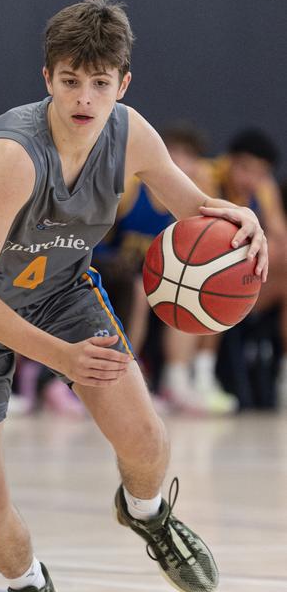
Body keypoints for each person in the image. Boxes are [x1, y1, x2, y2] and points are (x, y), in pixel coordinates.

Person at [0, 0, 267, 592]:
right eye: (70, 79)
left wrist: (243, 222)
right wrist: (61, 358)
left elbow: (194, 207)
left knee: (146, 436)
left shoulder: (132, 134)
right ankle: (29, 588)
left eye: (100, 83)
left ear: (122, 84)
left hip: (61, 293)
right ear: (48, 77)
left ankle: (147, 511)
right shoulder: (15, 156)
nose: (84, 96)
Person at [109, 124, 238, 414]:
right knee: (141, 292)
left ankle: (178, 379)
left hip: (155, 274)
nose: (180, 161)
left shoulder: (194, 198)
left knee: (197, 289)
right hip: (113, 271)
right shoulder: (131, 186)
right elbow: (97, 236)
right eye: (174, 153)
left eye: (188, 155)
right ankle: (128, 375)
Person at [209, 130, 287, 406]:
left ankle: (282, 376)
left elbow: (279, 238)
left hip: (243, 276)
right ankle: (197, 378)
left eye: (260, 172)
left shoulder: (264, 188)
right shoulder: (207, 177)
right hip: (203, 273)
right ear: (229, 162)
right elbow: (200, 242)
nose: (251, 179)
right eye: (245, 169)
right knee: (209, 283)